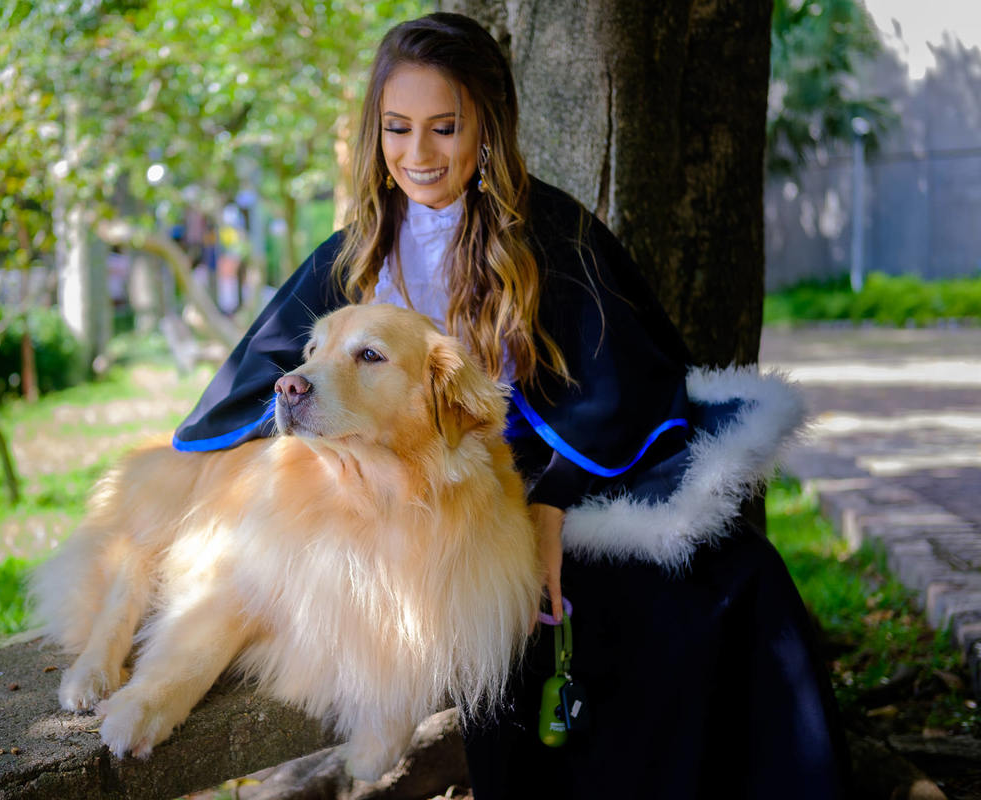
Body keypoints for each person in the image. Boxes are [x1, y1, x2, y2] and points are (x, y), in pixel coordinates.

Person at [172, 12, 850, 799]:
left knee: (729, 580)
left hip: (566, 474)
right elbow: (265, 386)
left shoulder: (550, 235)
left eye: (444, 127)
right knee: (516, 614)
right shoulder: (352, 258)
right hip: (431, 501)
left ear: (487, 126)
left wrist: (553, 506)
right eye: (397, 129)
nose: (418, 155)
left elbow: (622, 387)